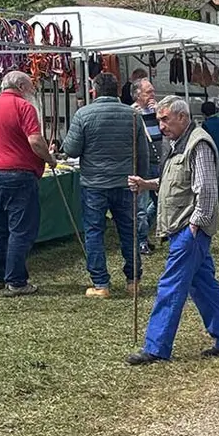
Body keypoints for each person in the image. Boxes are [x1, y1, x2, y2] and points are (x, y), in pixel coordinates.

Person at [126, 96, 219, 365]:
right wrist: (146, 184)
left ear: (182, 117)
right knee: (203, 285)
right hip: (185, 228)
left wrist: (196, 223)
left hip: (189, 229)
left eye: (165, 119)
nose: (161, 126)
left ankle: (156, 347)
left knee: (170, 286)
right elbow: (174, 182)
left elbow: (207, 189)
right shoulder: (176, 144)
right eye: (159, 120)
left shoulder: (198, 144)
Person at [61, 73, 148, 298]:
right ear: (118, 91)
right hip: (126, 182)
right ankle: (133, 281)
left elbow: (71, 150)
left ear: (95, 91)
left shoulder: (83, 114)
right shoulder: (133, 115)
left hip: (94, 183)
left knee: (94, 232)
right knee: (129, 232)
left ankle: (101, 284)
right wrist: (143, 180)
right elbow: (143, 153)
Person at [0, 71, 56, 296]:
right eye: (31, 86)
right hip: (18, 173)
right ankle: (16, 280)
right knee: (21, 229)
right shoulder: (24, 107)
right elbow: (35, 140)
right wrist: (49, 158)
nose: (32, 91)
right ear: (21, 86)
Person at [130, 79, 163, 255]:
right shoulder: (132, 112)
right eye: (148, 92)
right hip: (141, 163)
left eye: (152, 91)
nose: (152, 95)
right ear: (138, 95)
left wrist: (159, 113)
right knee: (141, 206)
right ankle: (141, 240)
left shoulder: (158, 111)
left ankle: (143, 233)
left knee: (161, 201)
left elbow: (167, 131)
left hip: (159, 161)